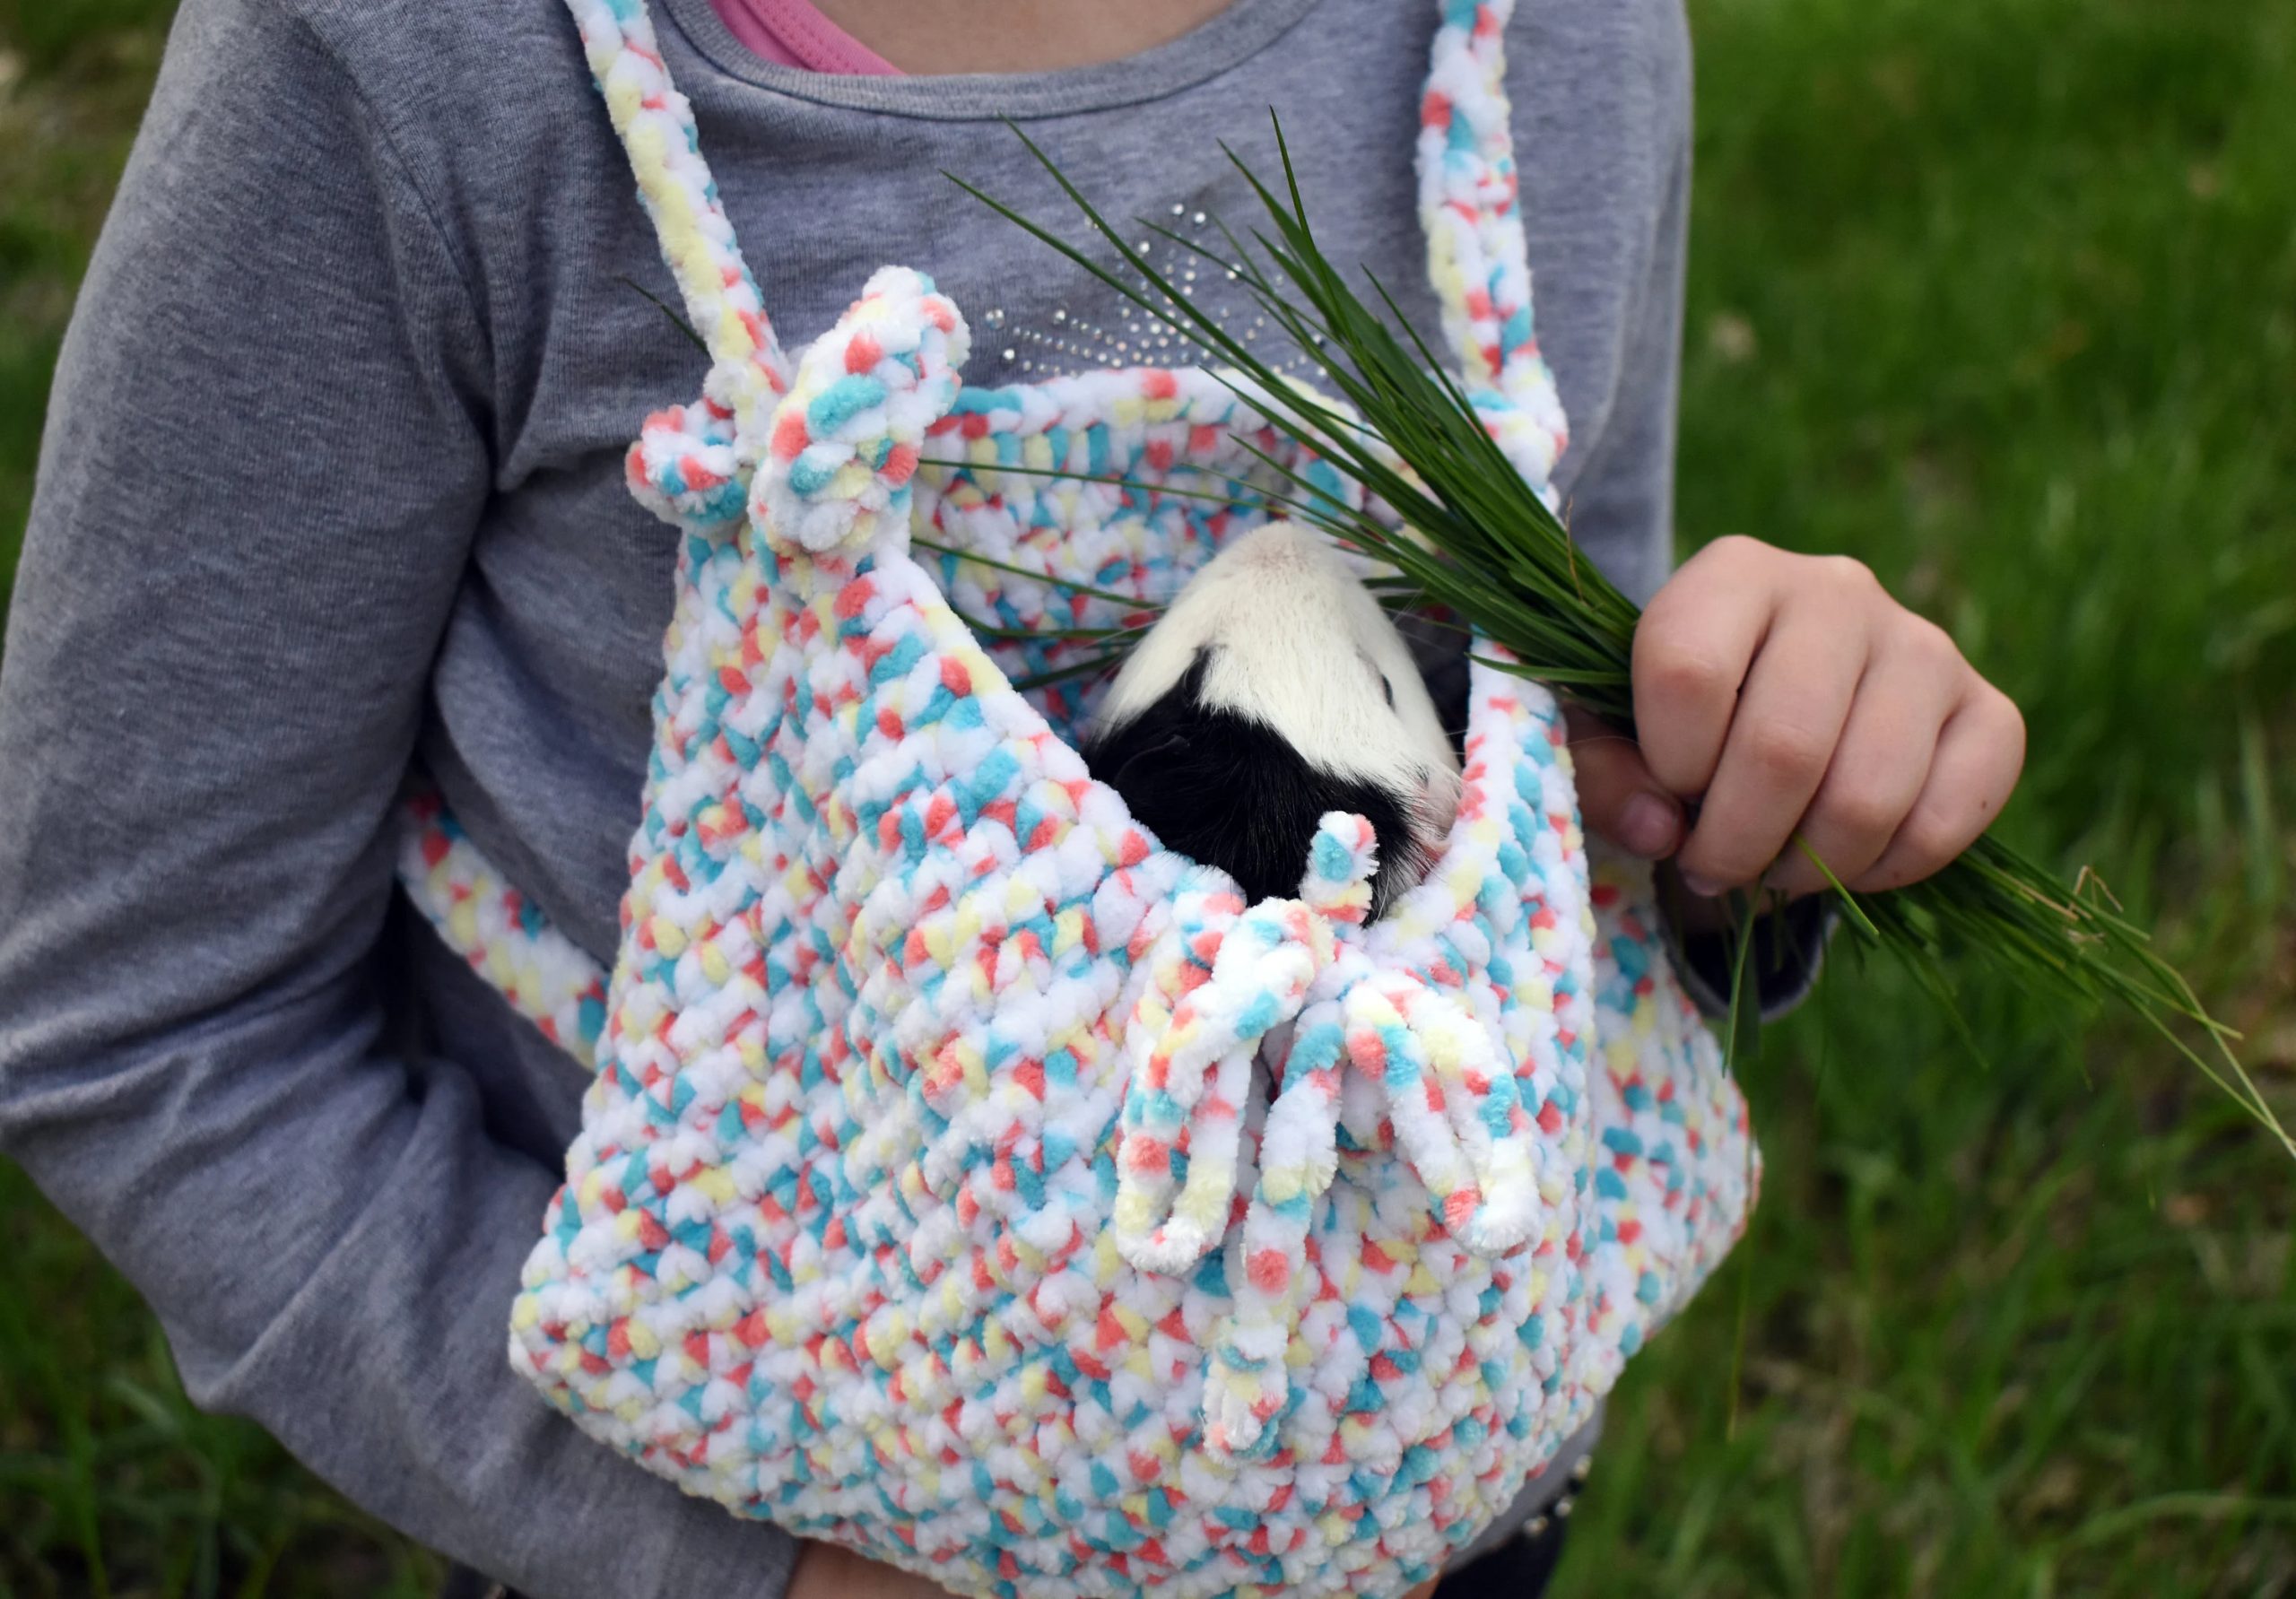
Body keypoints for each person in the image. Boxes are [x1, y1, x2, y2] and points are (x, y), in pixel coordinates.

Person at [0, 0, 2025, 1595]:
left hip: (1412, 1471)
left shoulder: (1540, 40)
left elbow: (1550, 784)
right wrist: (748, 1572)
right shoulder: (411, 69)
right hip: (729, 1513)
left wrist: (1744, 778)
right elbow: (146, 1009)